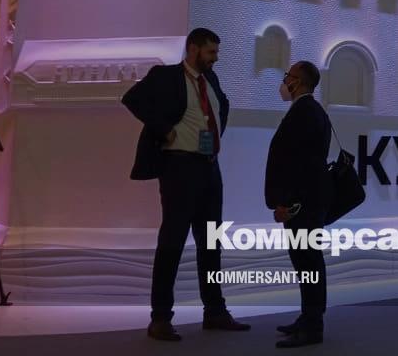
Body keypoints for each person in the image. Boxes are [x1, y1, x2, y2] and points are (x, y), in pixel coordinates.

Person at [122, 28, 250, 341]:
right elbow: (132, 99)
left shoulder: (211, 79)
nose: (215, 58)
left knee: (211, 243)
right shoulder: (166, 76)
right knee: (172, 242)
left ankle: (215, 311)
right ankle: (160, 318)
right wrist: (164, 129)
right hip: (179, 167)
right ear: (193, 49)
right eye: (211, 52)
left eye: (216, 52)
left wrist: (214, 138)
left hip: (209, 167)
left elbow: (220, 108)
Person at [265, 60, 333, 348]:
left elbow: (298, 166)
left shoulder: (305, 113)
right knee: (306, 261)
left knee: (308, 261)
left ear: (299, 81)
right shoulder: (310, 111)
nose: (284, 81)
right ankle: (308, 318)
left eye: (288, 76)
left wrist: (288, 203)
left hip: (302, 204)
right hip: (308, 202)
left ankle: (313, 325)